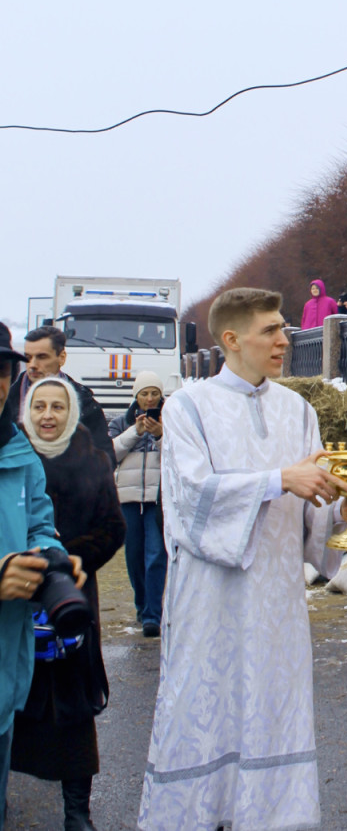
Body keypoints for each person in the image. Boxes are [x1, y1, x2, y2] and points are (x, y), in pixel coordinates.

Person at [137, 287, 347, 831]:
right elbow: (191, 499)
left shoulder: (299, 409)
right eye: (271, 330)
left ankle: (270, 817)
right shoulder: (189, 407)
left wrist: (344, 512)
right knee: (205, 707)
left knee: (273, 706)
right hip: (211, 599)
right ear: (232, 339)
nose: (284, 340)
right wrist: (278, 479)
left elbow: (311, 511)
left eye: (283, 328)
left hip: (277, 600)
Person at [12, 376, 124, 831]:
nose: (48, 415)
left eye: (57, 406)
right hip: (15, 596)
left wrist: (71, 558)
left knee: (73, 709)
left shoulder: (93, 460)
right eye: (39, 406)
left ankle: (77, 811)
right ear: (26, 411)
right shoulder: (13, 457)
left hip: (72, 597)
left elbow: (113, 528)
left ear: (72, 412)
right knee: (12, 698)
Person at [0, 321, 83, 831]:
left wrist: (55, 559)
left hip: (5, 674)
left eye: (0, 371)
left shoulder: (18, 452)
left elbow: (39, 524)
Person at [107, 371, 167, 637]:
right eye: (144, 393)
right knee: (133, 557)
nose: (150, 398)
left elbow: (181, 455)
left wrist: (161, 435)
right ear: (136, 396)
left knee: (156, 554)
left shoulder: (170, 420)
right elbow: (110, 454)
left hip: (157, 499)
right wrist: (135, 432)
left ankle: (153, 614)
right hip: (128, 499)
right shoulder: (120, 422)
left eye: (155, 393)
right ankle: (142, 606)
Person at [5, 327, 113, 468]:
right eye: (28, 357)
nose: (32, 365)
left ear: (61, 357)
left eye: (42, 357)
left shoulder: (86, 405)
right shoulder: (7, 401)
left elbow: (106, 461)